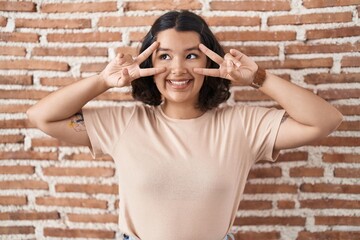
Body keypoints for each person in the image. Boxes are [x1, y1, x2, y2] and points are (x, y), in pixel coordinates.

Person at [26, 10, 343, 240]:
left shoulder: (243, 125)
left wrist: (258, 78)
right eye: (164, 56)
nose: (177, 69)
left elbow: (325, 121)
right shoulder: (123, 123)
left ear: (209, 60)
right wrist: (103, 81)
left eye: (191, 56)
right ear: (149, 63)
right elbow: (42, 116)